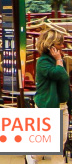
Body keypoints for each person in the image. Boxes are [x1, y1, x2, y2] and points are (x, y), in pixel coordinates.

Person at [26, 29, 70, 164]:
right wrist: (58, 60)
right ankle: (32, 157)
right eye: (59, 44)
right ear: (51, 46)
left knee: (61, 141)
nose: (62, 46)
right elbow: (59, 74)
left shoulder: (59, 61)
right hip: (47, 105)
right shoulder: (43, 62)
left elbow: (64, 79)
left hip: (62, 105)